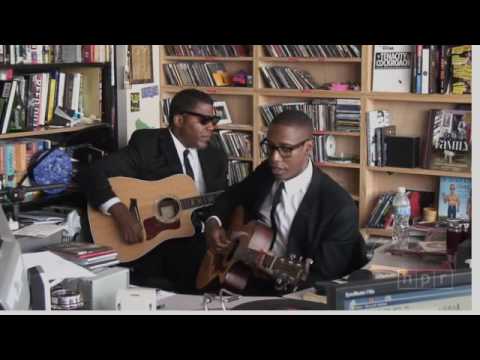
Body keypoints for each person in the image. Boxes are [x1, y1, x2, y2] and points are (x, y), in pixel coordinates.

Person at [205, 110, 368, 296]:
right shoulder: (266, 171)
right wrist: (213, 222)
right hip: (242, 273)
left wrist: (274, 273)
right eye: (270, 147)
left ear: (308, 148)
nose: (274, 158)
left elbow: (324, 278)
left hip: (290, 290)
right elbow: (231, 196)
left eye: (286, 149)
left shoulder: (339, 208)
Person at [81, 89, 228, 293]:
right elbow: (93, 172)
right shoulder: (147, 145)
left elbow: (224, 200)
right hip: (150, 244)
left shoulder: (216, 156)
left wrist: (215, 221)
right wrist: (120, 212)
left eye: (214, 120)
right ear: (178, 120)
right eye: (204, 121)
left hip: (196, 238)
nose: (211, 127)